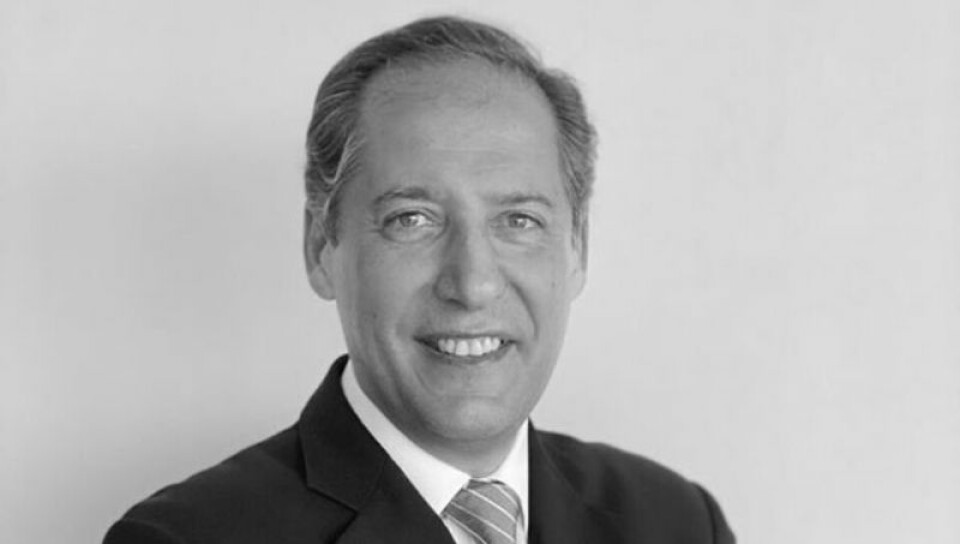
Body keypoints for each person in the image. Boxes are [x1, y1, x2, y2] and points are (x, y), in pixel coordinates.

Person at [104, 15, 735, 544]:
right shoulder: (184, 538)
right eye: (412, 219)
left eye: (518, 220)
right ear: (321, 246)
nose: (473, 283)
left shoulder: (677, 522)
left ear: (578, 249)